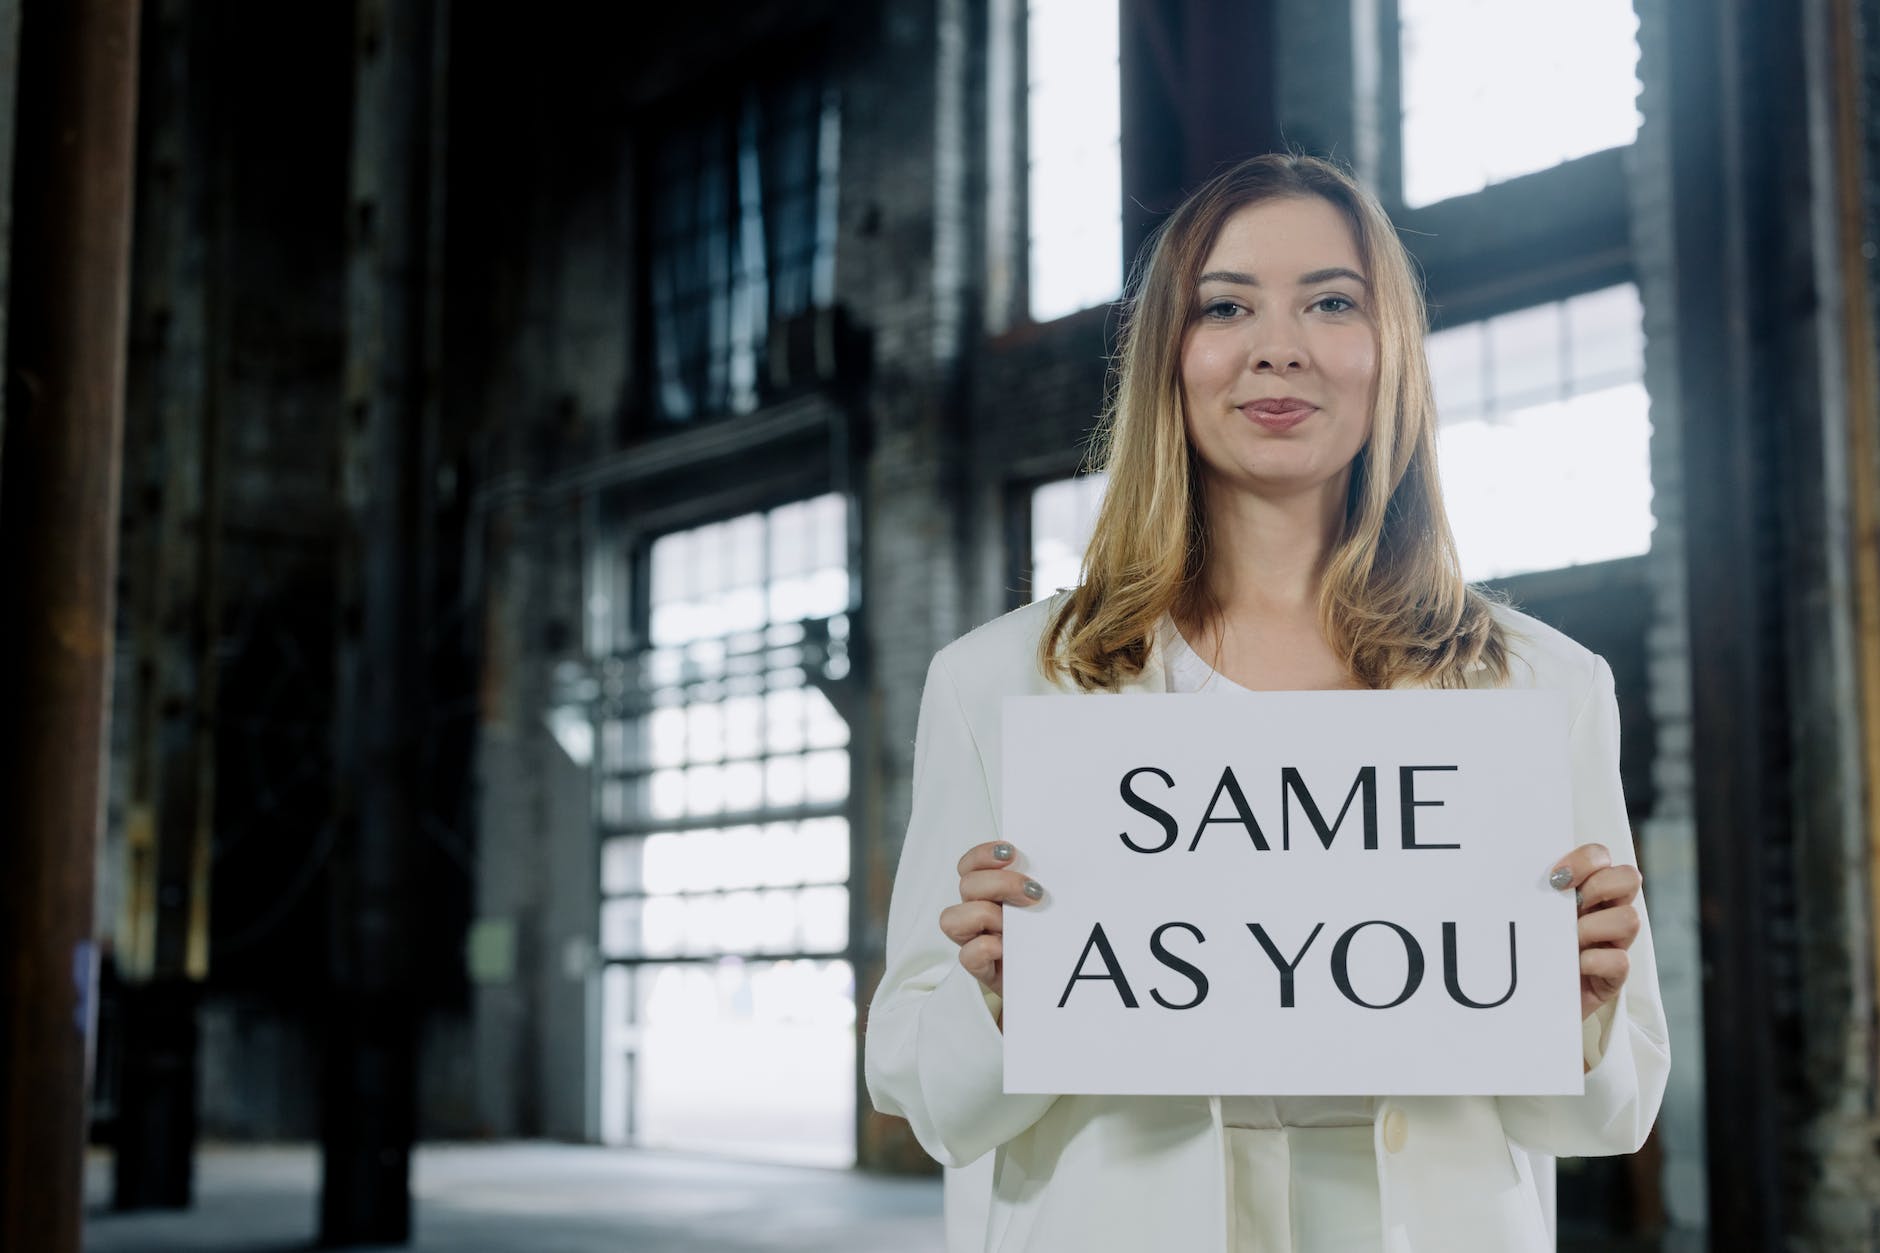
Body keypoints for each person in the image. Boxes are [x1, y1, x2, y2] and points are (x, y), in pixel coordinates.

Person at [863, 152, 1669, 1253]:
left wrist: (1579, 1001)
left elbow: (1608, 1113)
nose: (1276, 345)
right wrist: (996, 997)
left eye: (1331, 301)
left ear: (1387, 354)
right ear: (1168, 360)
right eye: (1224, 305)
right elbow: (917, 1084)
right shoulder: (1001, 681)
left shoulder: (1536, 685)